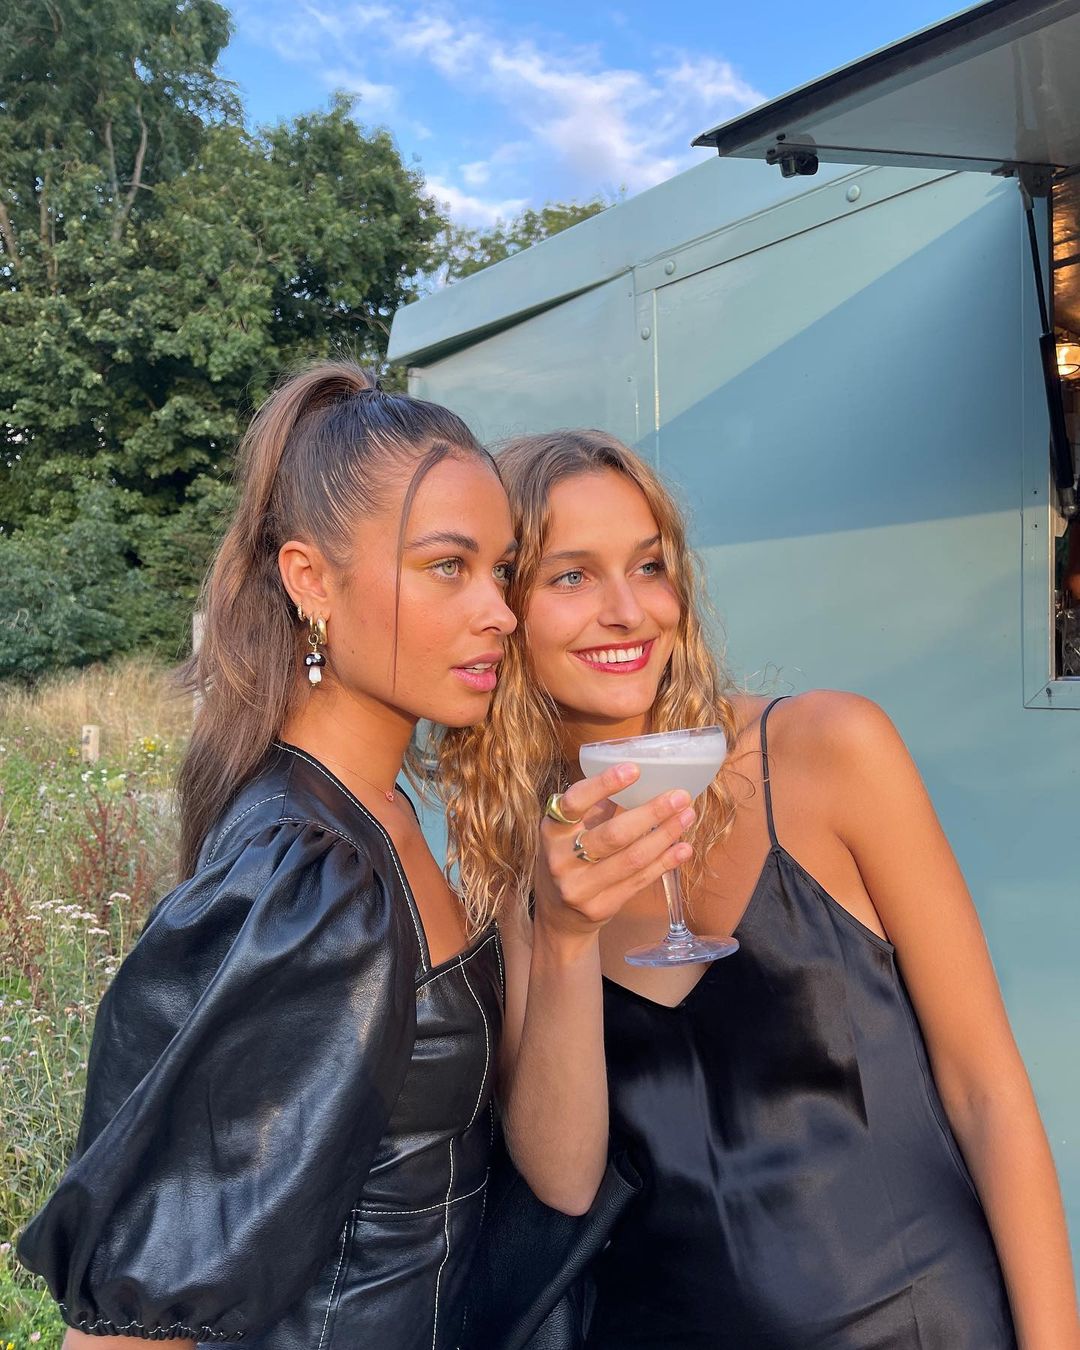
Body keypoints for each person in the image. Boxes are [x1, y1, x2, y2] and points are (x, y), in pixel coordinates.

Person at [16, 371, 692, 1350]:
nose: (500, 611)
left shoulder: (383, 814)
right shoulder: (308, 877)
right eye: (447, 566)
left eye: (502, 570)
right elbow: (132, 1324)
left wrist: (567, 931)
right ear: (311, 580)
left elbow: (553, 1177)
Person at [443, 428, 1080, 1350]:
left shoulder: (829, 749)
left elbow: (988, 1092)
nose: (629, 610)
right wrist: (566, 936)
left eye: (650, 566)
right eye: (571, 577)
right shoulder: (520, 859)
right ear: (504, 608)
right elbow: (564, 1182)